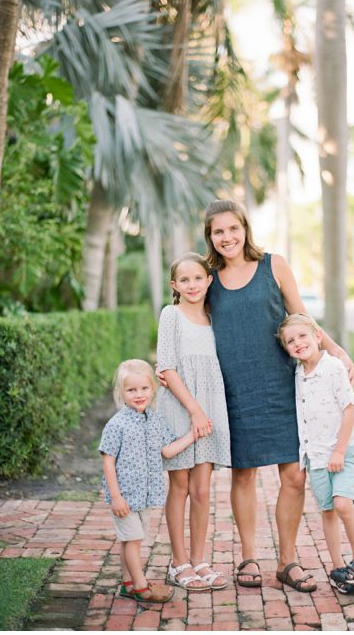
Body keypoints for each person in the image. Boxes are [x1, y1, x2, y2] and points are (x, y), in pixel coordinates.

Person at [200, 199, 354, 593]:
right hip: (233, 389)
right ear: (210, 237)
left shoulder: (274, 265)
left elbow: (301, 317)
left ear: (245, 228)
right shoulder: (207, 278)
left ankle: (288, 561)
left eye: (233, 229)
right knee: (244, 474)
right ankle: (248, 556)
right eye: (218, 232)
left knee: (294, 476)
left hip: (282, 387)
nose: (227, 237)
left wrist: (335, 350)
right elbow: (191, 326)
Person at [277, 314, 354, 594]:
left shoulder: (332, 367)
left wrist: (339, 450)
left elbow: (349, 409)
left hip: (344, 447)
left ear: (318, 336)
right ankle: (338, 567)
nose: (297, 343)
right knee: (327, 509)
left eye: (302, 336)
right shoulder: (298, 374)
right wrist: (306, 454)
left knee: (343, 504)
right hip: (316, 455)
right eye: (290, 341)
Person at [155, 253, 231, 592]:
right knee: (181, 486)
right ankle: (179, 562)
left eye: (198, 278)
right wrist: (195, 412)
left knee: (202, 489)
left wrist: (206, 412)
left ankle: (200, 560)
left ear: (209, 280)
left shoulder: (216, 317)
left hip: (211, 406)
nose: (192, 285)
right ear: (174, 285)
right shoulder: (171, 315)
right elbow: (167, 368)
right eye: (184, 280)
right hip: (180, 406)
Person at [99, 359, 196, 605]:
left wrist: (192, 435)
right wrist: (116, 496)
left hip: (145, 496)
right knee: (133, 541)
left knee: (131, 540)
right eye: (131, 390)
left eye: (143, 388)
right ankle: (142, 587)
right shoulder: (117, 424)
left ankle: (127, 584)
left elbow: (168, 450)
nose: (139, 394)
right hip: (125, 497)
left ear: (153, 389)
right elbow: (108, 461)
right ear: (121, 393)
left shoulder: (155, 420)